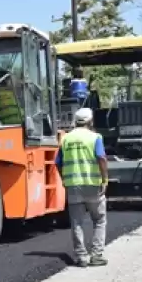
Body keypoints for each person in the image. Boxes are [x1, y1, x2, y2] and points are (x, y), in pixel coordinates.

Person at [55, 107, 109, 267]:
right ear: (90, 121)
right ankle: (96, 255)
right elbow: (101, 158)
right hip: (93, 185)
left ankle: (81, 257)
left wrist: (64, 179)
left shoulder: (66, 139)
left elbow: (57, 163)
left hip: (73, 185)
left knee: (77, 222)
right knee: (99, 219)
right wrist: (105, 179)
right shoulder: (95, 137)